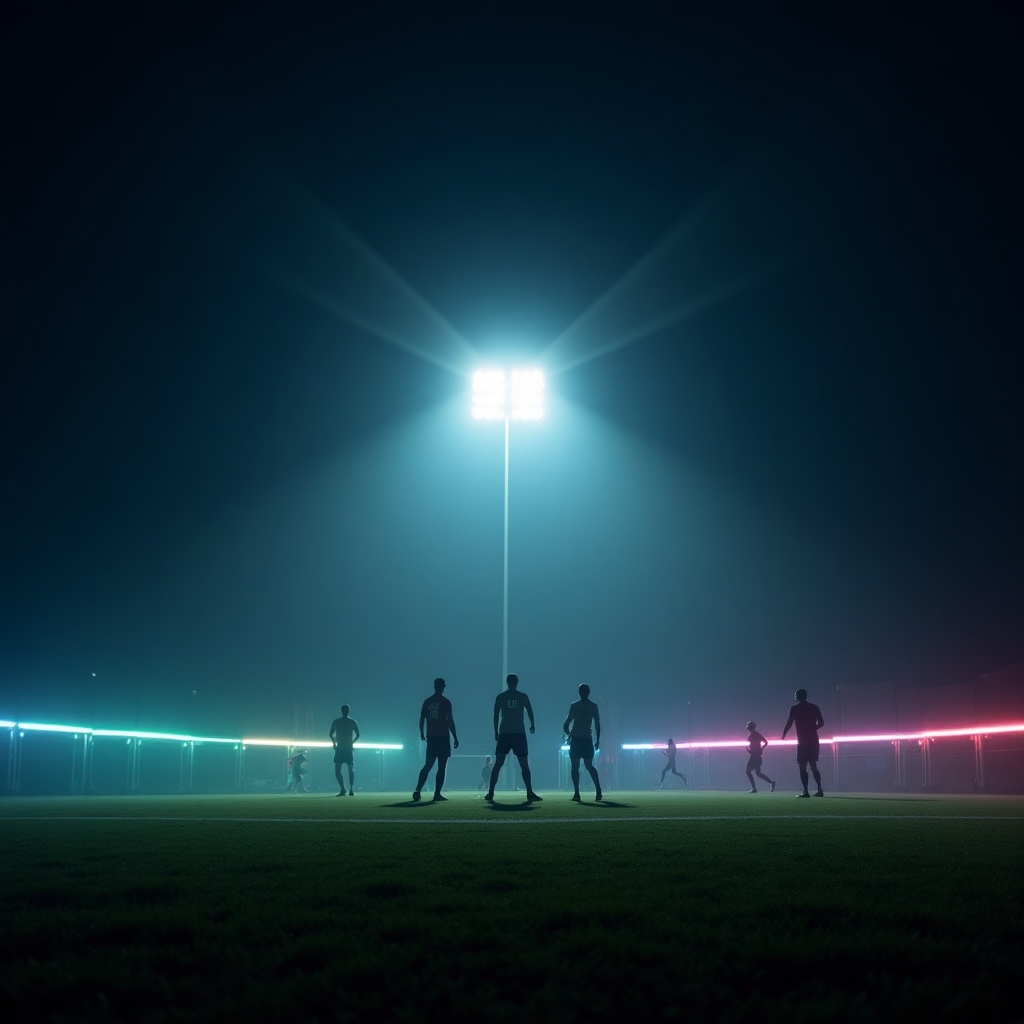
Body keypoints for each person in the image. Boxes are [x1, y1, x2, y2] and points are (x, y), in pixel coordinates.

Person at [484, 673, 542, 802]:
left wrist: (495, 731)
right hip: (518, 734)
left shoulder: (501, 697)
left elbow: (496, 714)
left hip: (505, 734)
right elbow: (530, 710)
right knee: (524, 764)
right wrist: (532, 725)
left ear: (507, 682)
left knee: (498, 763)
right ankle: (530, 792)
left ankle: (490, 793)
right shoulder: (522, 696)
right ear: (517, 682)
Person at [413, 678, 459, 802]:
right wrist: (455, 737)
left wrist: (422, 733)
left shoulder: (427, 701)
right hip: (443, 737)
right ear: (443, 686)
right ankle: (437, 793)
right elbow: (450, 720)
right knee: (441, 767)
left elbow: (422, 718)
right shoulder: (445, 702)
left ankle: (417, 790)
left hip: (432, 737)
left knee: (428, 765)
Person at [562, 683, 603, 802]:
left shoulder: (574, 706)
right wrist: (598, 740)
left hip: (577, 739)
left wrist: (569, 734)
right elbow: (597, 724)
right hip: (586, 739)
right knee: (589, 765)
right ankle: (598, 790)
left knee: (575, 767)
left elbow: (566, 723)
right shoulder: (593, 706)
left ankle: (577, 793)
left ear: (579, 692)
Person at [782, 688, 825, 797]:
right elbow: (822, 722)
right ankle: (819, 789)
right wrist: (813, 728)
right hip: (814, 740)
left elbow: (789, 723)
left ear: (798, 697)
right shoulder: (814, 707)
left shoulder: (794, 708)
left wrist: (783, 735)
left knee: (802, 766)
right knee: (813, 766)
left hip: (803, 741)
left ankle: (805, 791)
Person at [329, 704, 360, 796]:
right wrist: (352, 742)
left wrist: (334, 743)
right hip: (347, 748)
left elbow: (331, 734)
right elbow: (358, 734)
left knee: (340, 769)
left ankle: (345, 788)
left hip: (341, 748)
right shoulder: (352, 721)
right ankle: (349, 788)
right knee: (350, 768)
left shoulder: (337, 721)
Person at [744, 721, 776, 793]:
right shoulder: (755, 734)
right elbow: (765, 742)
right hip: (757, 756)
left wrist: (759, 749)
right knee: (758, 773)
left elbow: (765, 742)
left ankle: (754, 788)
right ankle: (771, 782)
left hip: (754, 756)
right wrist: (760, 749)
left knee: (748, 771)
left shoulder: (753, 735)